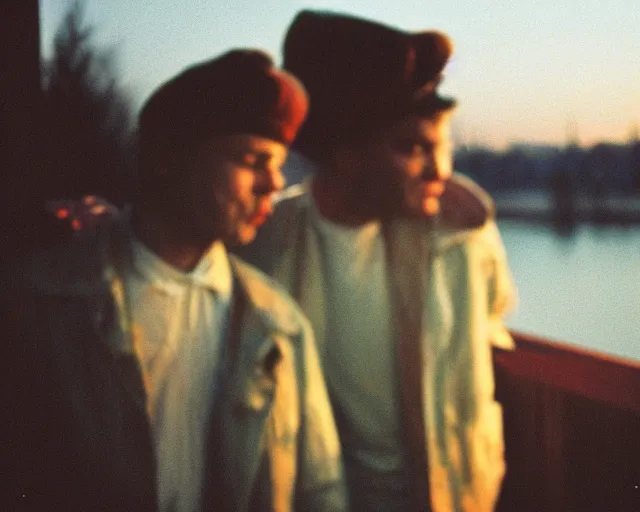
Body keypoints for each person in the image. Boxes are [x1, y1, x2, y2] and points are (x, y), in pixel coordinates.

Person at [0, 49, 346, 512]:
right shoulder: (40, 307)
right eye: (252, 160)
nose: (273, 184)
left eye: (279, 164)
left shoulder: (280, 325)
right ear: (168, 158)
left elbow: (320, 490)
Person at [238, 11, 517, 512]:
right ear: (345, 154)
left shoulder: (463, 236)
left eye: (443, 145)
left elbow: (498, 310)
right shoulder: (264, 243)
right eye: (412, 147)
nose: (441, 169)